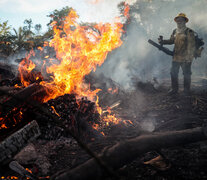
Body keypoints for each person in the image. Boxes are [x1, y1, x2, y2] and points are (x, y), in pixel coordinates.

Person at [158, 13, 196, 95]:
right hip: (176, 57)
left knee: (186, 74)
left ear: (185, 21)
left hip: (186, 57)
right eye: (178, 20)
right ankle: (174, 89)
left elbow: (191, 46)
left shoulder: (189, 31)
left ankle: (186, 90)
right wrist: (162, 42)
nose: (179, 22)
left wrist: (189, 58)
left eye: (181, 20)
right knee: (173, 73)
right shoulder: (175, 31)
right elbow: (171, 41)